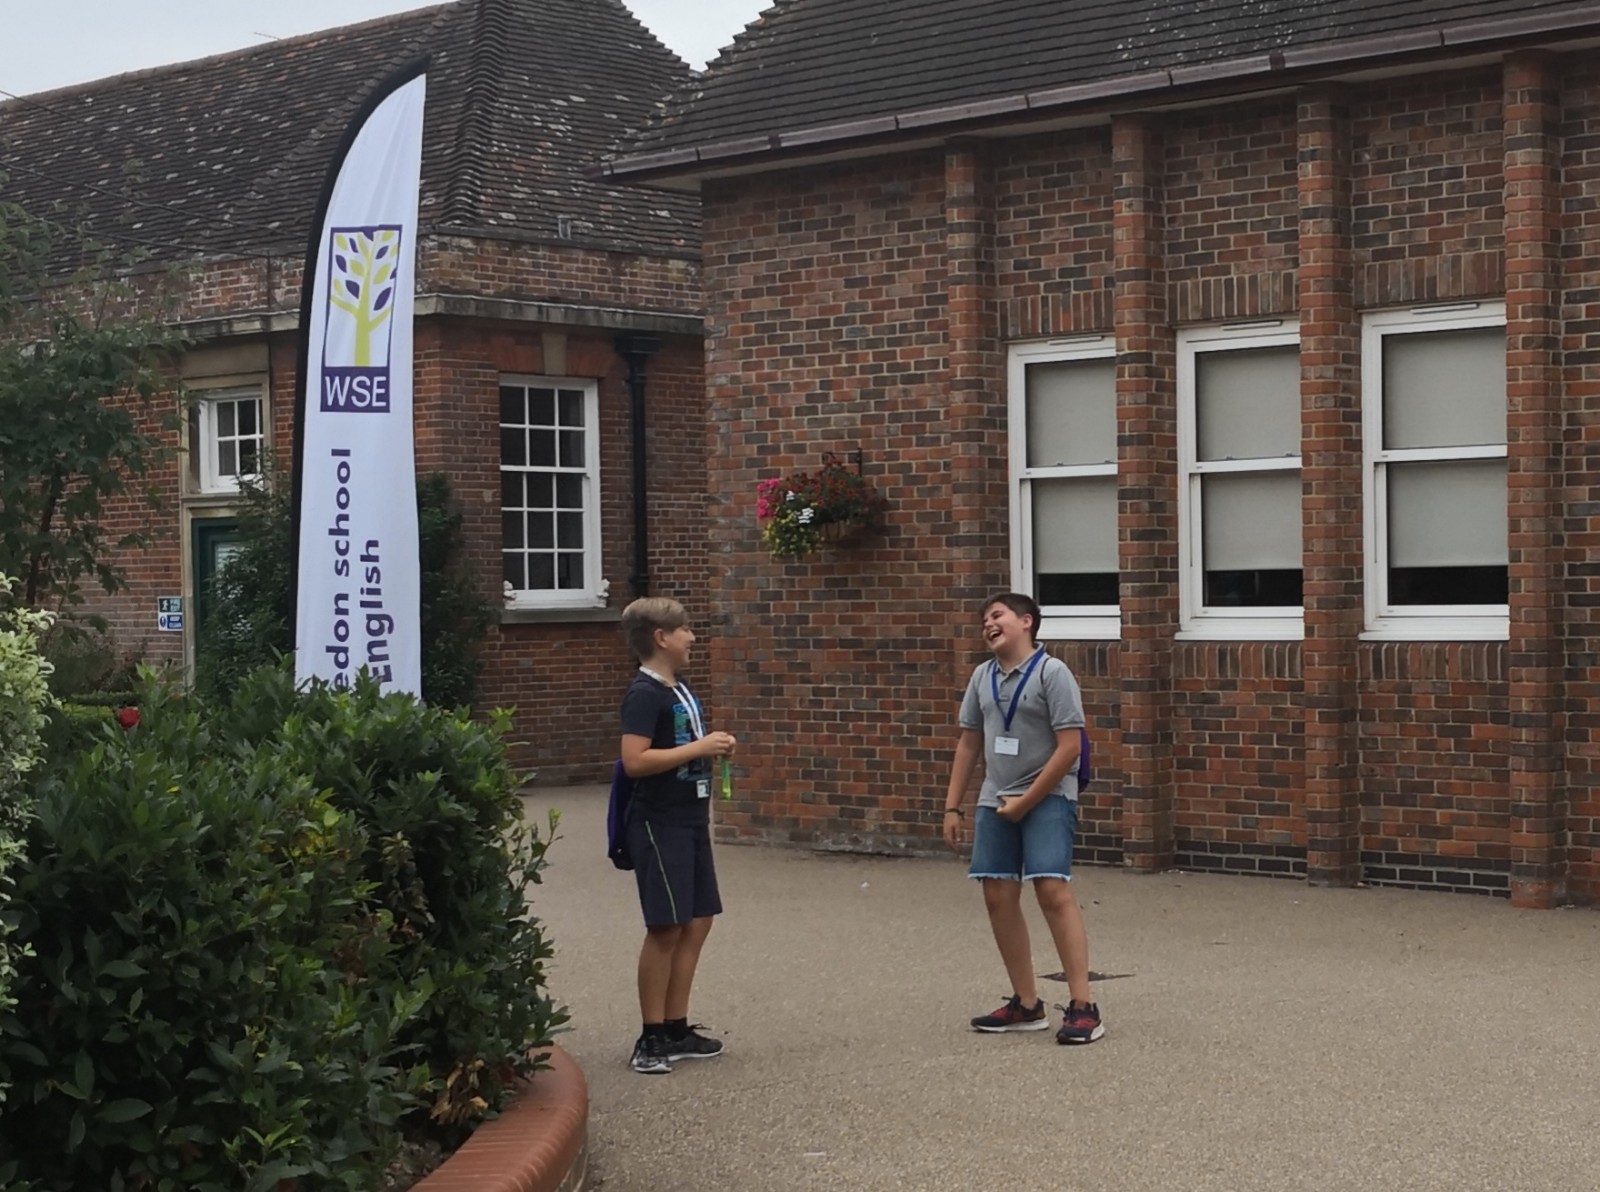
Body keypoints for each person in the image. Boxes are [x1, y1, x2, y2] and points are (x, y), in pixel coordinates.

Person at [942, 591, 1104, 1044]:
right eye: (983, 621)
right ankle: (1026, 1004)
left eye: (997, 615)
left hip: (1048, 795)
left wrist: (1027, 801)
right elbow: (969, 743)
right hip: (996, 798)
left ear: (1027, 621)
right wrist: (952, 806)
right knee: (997, 893)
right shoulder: (982, 676)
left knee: (1051, 889)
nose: (987, 625)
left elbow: (1070, 747)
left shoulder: (1053, 673)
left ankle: (1083, 1006)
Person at [618, 596, 737, 1074]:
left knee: (698, 919)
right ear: (660, 637)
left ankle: (675, 1027)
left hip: (690, 818)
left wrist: (711, 749)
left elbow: (684, 745)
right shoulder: (644, 693)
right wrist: (699, 747)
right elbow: (634, 760)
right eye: (684, 629)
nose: (692, 636)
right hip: (659, 821)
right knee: (665, 926)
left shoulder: (678, 688)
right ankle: (650, 1038)